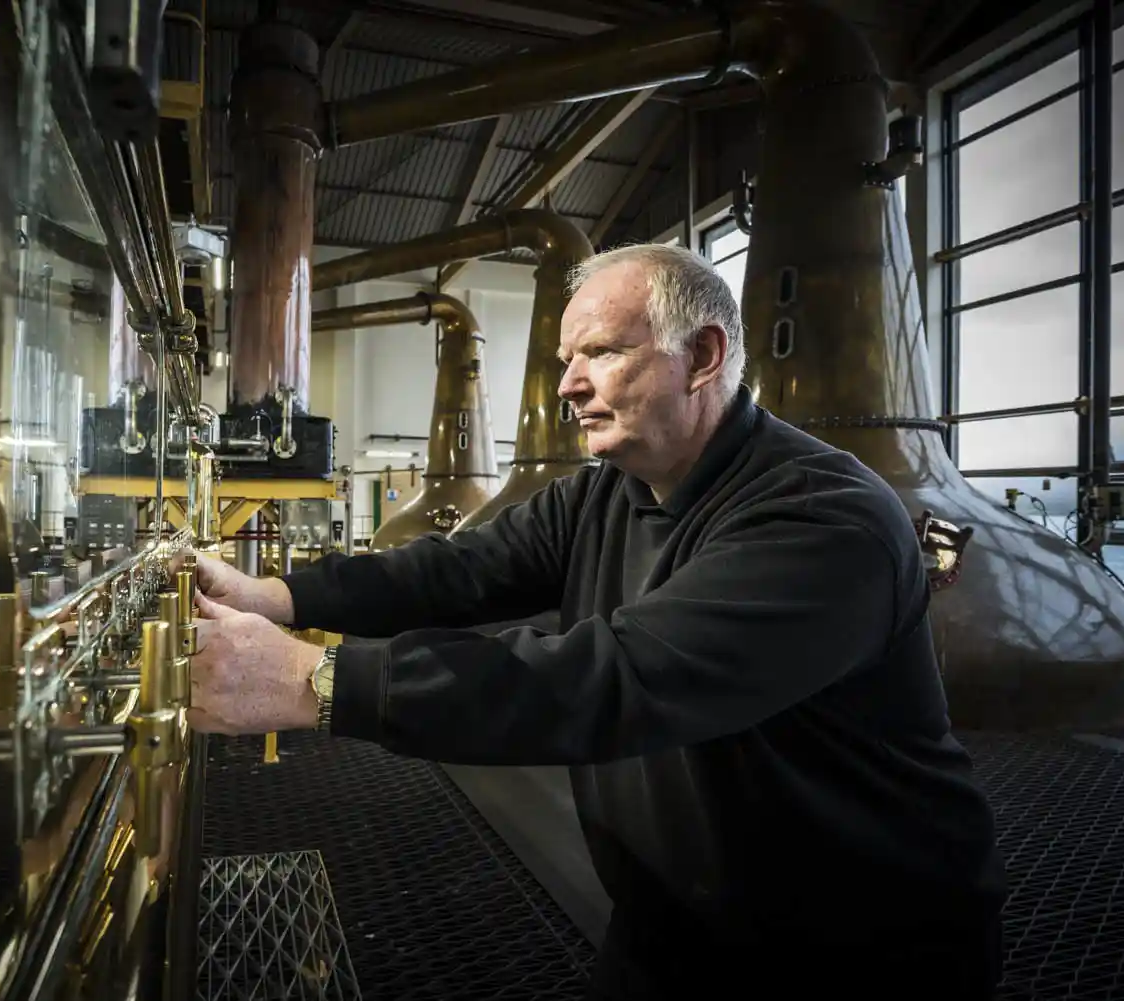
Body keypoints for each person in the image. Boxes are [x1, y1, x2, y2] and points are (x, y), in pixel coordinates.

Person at [184, 243, 1008, 999]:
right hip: (672, 915)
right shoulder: (609, 490)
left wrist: (317, 681)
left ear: (705, 356)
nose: (568, 384)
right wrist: (276, 597)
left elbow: (618, 676)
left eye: (603, 352)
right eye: (565, 359)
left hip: (856, 947)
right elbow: (460, 567)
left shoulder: (824, 520)